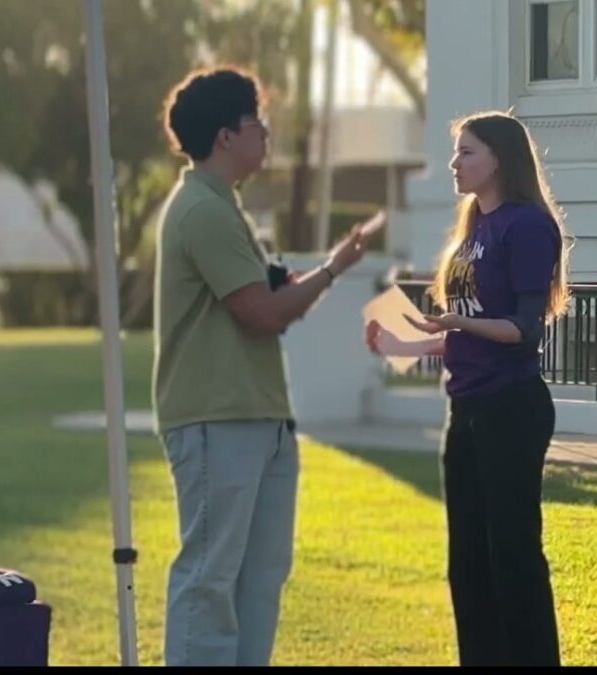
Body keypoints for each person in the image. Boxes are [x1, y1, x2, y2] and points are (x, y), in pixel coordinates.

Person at [155, 66, 381, 667]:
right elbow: (263, 313)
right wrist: (333, 270)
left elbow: (266, 298)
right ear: (227, 135)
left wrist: (328, 267)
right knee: (210, 576)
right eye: (257, 121)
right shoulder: (201, 211)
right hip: (216, 417)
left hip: (257, 416)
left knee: (259, 579)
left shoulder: (222, 207)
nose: (267, 133)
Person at [366, 111, 569, 666]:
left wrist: (456, 325)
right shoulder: (472, 227)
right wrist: (406, 344)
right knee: (468, 562)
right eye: (456, 153)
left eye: (467, 153)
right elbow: (464, 332)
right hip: (468, 405)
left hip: (512, 406)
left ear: (499, 159)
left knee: (512, 555)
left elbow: (522, 332)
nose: (455, 164)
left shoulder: (525, 225)